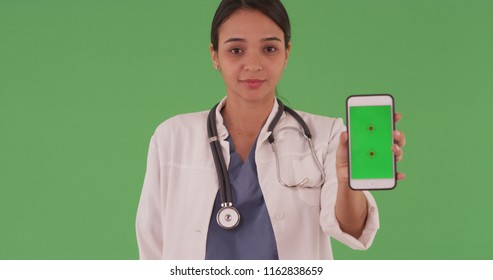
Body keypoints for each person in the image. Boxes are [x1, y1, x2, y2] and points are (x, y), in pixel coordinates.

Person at [136, 0, 406, 260]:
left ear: (287, 53)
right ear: (214, 55)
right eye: (236, 50)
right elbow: (152, 241)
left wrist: (349, 181)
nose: (253, 65)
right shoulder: (172, 137)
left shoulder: (327, 135)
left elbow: (352, 229)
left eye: (269, 49)